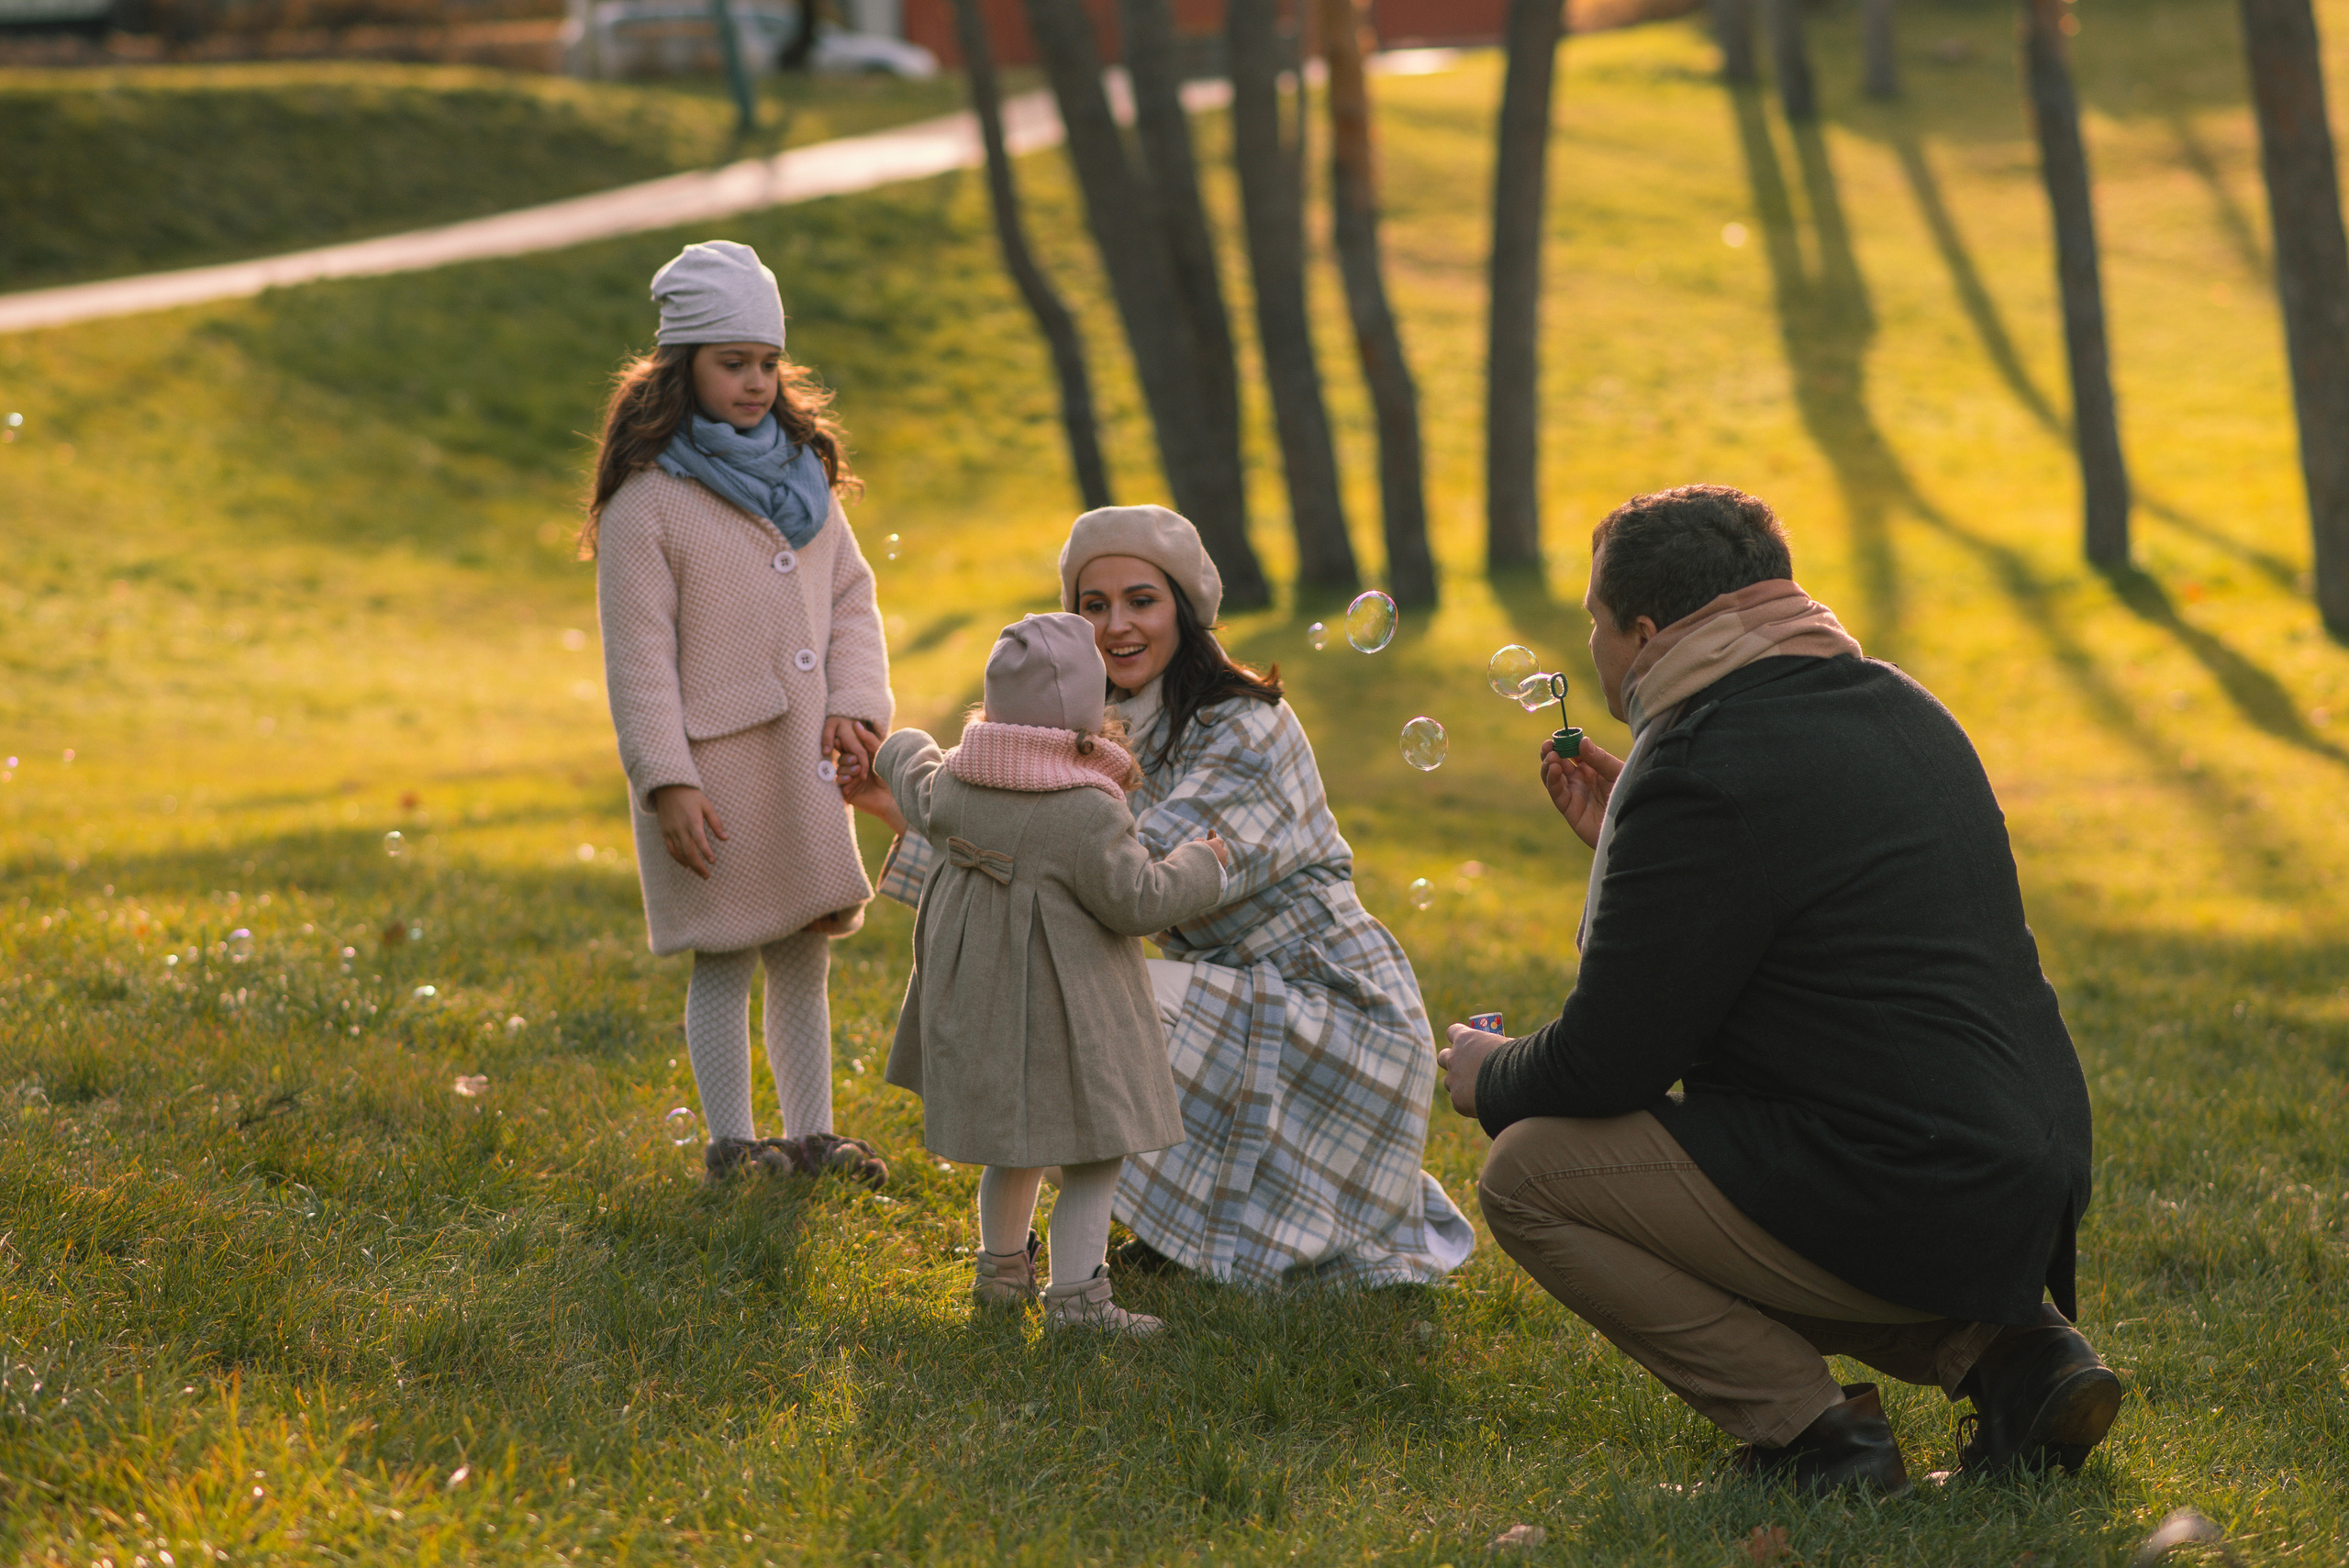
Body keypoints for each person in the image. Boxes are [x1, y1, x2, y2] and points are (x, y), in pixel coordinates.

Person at [1438, 484, 2118, 1493]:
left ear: (1644, 629)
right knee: (1765, 1163)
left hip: (1903, 1184)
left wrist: (1490, 1075)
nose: (1590, 647)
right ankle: (2020, 1356)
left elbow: (1611, 1059)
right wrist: (1634, 825)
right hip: (2018, 1176)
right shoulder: (1897, 702)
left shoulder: (1703, 762)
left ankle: (1818, 1440)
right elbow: (1787, 897)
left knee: (1530, 1171)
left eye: (1592, 621)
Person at [852, 506, 1475, 1287]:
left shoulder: (1246, 727)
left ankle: (1195, 1235)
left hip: (1332, 1009)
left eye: (1142, 600)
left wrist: (937, 794)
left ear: (1184, 606)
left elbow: (1108, 881)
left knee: (1061, 996)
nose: (1117, 625)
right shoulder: (1092, 727)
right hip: (1228, 992)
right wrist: (897, 802)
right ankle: (1155, 1237)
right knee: (1051, 991)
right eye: (1094, 604)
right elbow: (1040, 860)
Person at [584, 239, 892, 1186]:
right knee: (723, 956)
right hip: (714, 771)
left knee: (804, 951)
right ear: (683, 366)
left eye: (768, 363)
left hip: (803, 761)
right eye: (733, 363)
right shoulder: (650, 501)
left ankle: (810, 1138)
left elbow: (852, 599)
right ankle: (730, 1144)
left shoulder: (805, 481)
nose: (756, 382)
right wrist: (666, 781)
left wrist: (856, 706)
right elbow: (636, 658)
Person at [874, 613, 1230, 1332]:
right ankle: (1078, 1300)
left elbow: (910, 774)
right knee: (1096, 1153)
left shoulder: (956, 783)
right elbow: (1139, 900)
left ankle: (1000, 1274)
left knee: (1013, 1146)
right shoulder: (1084, 811)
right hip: (1068, 1021)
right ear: (1086, 714)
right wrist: (1205, 864)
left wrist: (899, 743)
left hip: (984, 1008)